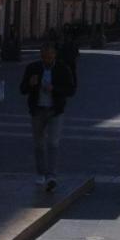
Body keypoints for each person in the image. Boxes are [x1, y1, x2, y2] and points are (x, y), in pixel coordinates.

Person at [19, 44, 77, 191]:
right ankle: (40, 173)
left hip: (55, 111)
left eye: (50, 57)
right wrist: (30, 84)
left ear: (55, 56)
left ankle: (51, 175)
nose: (47, 60)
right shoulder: (33, 68)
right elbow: (22, 89)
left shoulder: (62, 69)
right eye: (44, 57)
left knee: (53, 143)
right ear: (41, 56)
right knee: (38, 144)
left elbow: (70, 90)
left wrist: (54, 89)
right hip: (37, 110)